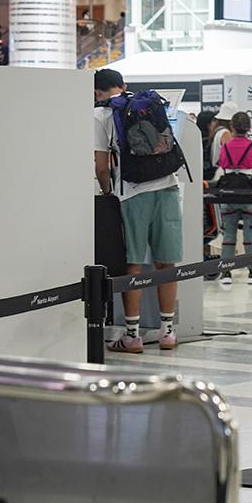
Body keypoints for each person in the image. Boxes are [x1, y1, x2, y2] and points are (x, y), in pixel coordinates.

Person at [93, 69, 184, 352]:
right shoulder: (149, 103)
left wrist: (107, 193)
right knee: (166, 262)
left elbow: (101, 166)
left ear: (96, 92)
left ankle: (132, 335)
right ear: (123, 85)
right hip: (168, 186)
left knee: (132, 263)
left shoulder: (100, 114)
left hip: (132, 193)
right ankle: (168, 332)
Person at [215, 111, 252, 284]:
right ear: (249, 127)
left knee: (228, 236)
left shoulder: (225, 147)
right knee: (250, 236)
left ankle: (226, 273)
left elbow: (221, 165)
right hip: (249, 197)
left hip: (228, 197)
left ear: (232, 127)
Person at [209, 102, 238, 182]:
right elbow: (229, 155)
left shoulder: (218, 131)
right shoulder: (226, 133)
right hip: (222, 173)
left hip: (216, 171)